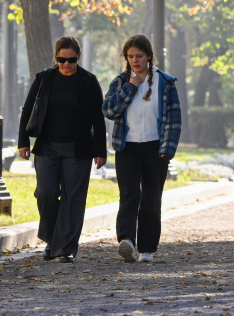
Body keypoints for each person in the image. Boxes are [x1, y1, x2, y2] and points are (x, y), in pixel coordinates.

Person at [18, 37, 107, 264]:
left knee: (73, 199)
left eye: (71, 59)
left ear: (79, 57)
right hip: (47, 147)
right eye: (61, 59)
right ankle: (51, 238)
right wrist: (23, 141)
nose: (66, 64)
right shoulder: (44, 79)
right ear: (55, 57)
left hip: (79, 149)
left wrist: (100, 150)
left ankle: (64, 248)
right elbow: (28, 109)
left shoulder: (89, 81)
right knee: (45, 192)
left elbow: (98, 118)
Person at [103, 34, 182, 264]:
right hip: (127, 147)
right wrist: (130, 88)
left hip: (156, 147)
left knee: (151, 197)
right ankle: (126, 240)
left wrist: (168, 148)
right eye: (130, 57)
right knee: (129, 194)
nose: (135, 61)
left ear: (149, 56)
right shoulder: (120, 82)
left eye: (139, 56)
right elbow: (109, 111)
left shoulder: (165, 82)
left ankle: (147, 248)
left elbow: (174, 119)